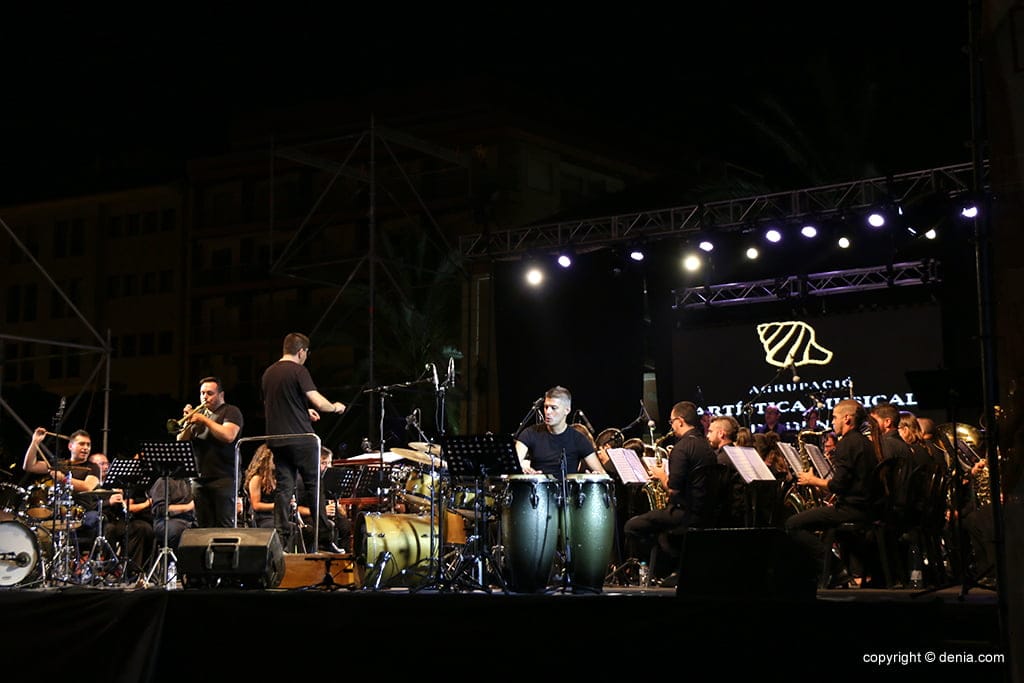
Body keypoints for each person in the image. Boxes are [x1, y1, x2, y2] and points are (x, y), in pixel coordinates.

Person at [261, 332, 347, 551]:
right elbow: (318, 401)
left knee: (284, 488)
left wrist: (302, 411)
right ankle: (324, 538)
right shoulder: (298, 370)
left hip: (277, 439)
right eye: (306, 353)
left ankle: (280, 539)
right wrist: (335, 407)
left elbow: (277, 405)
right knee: (314, 486)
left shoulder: (268, 373)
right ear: (301, 351)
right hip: (301, 439)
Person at [784, 399, 878, 587]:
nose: (832, 422)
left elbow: (838, 486)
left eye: (835, 417)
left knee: (792, 524)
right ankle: (840, 571)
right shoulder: (864, 442)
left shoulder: (846, 443)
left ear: (847, 418)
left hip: (852, 510)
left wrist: (812, 480)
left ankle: (836, 568)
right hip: (866, 506)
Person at [622, 401, 717, 582]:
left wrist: (660, 475)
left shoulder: (681, 448)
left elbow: (673, 489)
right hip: (705, 512)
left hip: (684, 513)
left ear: (680, 421)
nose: (672, 426)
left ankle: (662, 568)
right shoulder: (707, 447)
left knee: (631, 526)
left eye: (672, 422)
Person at [177, 376, 243, 528]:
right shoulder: (199, 415)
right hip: (199, 479)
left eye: (209, 393)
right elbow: (181, 441)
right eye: (202, 393)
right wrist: (187, 422)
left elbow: (228, 436)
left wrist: (204, 420)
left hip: (224, 477)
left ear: (221, 395)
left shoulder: (231, 411)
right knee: (203, 527)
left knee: (224, 526)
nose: (204, 397)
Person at [84, 452, 155, 582]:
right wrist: (108, 502)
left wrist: (123, 497)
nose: (106, 467)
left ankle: (131, 571)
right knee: (109, 529)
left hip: (116, 519)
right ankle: (108, 569)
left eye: (107, 463)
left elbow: (125, 508)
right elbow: (88, 507)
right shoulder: (89, 484)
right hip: (99, 522)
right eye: (101, 464)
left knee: (140, 527)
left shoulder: (116, 483)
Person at [514, 386, 606, 476]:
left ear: (567, 410)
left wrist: (597, 475)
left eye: (553, 408)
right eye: (546, 407)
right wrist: (523, 468)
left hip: (567, 486)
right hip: (537, 486)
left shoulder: (578, 439)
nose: (548, 412)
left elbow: (602, 474)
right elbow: (514, 465)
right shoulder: (529, 433)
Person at [296, 447, 352, 553]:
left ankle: (345, 556)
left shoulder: (328, 480)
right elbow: (295, 508)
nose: (328, 467)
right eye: (323, 463)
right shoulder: (301, 481)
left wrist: (337, 507)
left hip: (323, 514)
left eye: (329, 463)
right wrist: (322, 511)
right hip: (308, 516)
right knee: (328, 526)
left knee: (345, 525)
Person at [244, 444, 277, 529]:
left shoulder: (275, 478)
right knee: (288, 527)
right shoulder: (256, 479)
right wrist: (277, 505)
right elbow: (256, 505)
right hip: (263, 518)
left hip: (275, 516)